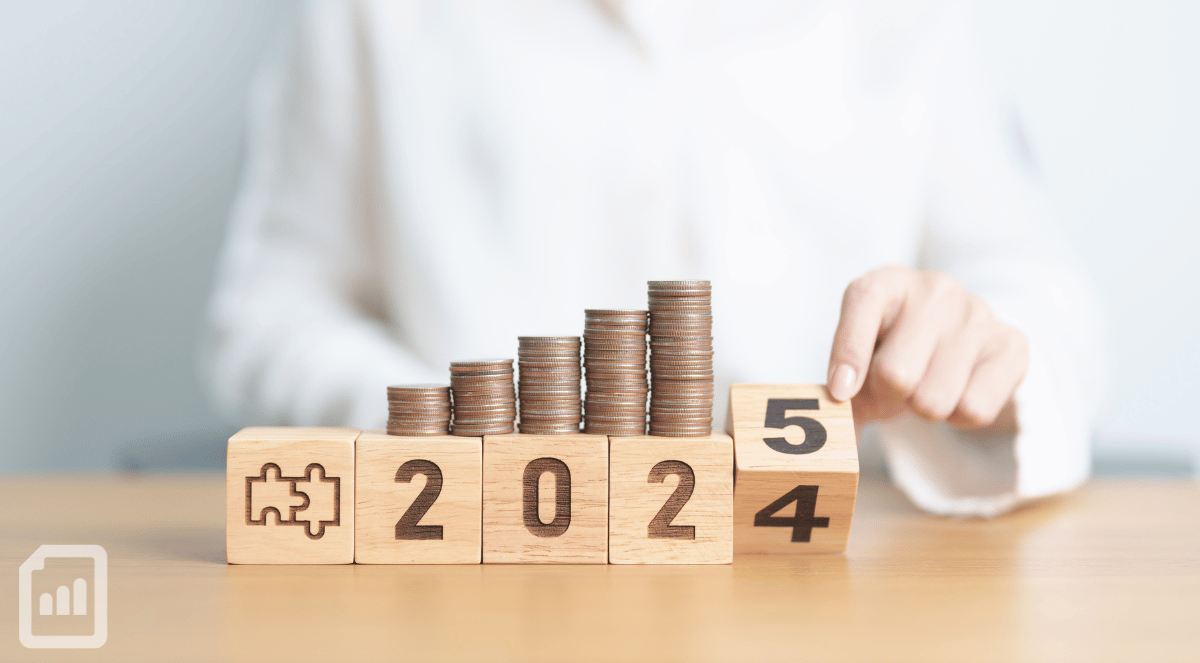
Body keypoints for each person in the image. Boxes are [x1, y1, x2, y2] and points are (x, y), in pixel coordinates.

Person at [203, 0, 1105, 517]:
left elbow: (1043, 296)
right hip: (481, 565)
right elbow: (270, 311)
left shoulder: (905, 17)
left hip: (823, 565)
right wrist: (435, 431)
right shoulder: (374, 15)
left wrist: (980, 358)